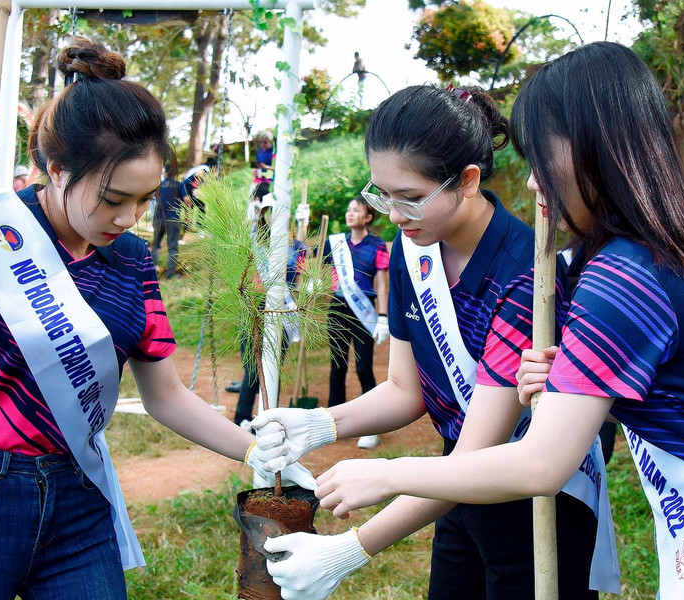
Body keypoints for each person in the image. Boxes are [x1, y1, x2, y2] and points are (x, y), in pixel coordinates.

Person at [269, 42, 684, 599]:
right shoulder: (647, 252)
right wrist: (575, 372)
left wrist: (385, 475)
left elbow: (541, 465)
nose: (534, 182)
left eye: (542, 161)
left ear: (595, 152)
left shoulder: (611, 276)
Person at [0, 38, 311, 600]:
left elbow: (164, 394)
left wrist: (251, 451)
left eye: (145, 199)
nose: (129, 217)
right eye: (112, 198)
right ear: (57, 170)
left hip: (80, 492)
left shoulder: (132, 259)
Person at [251, 84, 618, 599]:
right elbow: (406, 388)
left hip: (526, 493)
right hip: (451, 480)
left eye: (411, 198)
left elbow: (481, 448)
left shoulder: (522, 274)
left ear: (468, 181)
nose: (395, 214)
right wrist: (322, 422)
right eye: (382, 195)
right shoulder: (412, 247)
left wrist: (350, 549)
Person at [234, 196, 308, 427]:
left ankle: (268, 418)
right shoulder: (254, 243)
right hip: (255, 308)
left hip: (282, 310)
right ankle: (243, 418)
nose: (273, 216)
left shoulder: (297, 247)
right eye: (269, 211)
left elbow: (299, 279)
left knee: (274, 367)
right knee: (252, 368)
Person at [322, 196, 389, 448]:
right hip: (338, 308)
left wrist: (383, 317)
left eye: (355, 210)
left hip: (364, 312)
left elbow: (381, 282)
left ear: (368, 217)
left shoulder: (377, 246)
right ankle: (332, 424)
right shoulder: (336, 244)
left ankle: (372, 425)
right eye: (348, 209)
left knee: (363, 368)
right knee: (337, 365)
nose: (350, 214)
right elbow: (324, 272)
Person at [151, 170, 185, 279]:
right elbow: (187, 200)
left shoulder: (159, 185)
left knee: (156, 245)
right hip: (173, 218)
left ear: (165, 173)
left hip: (159, 217)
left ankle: (151, 271)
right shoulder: (179, 185)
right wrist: (188, 213)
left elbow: (154, 198)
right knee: (173, 247)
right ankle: (170, 274)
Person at [251, 130, 274, 205]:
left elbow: (277, 168)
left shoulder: (274, 152)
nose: (263, 145)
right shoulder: (260, 151)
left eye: (265, 142)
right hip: (258, 179)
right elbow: (257, 163)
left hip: (268, 181)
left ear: (270, 141)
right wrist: (255, 171)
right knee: (253, 195)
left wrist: (267, 167)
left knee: (261, 196)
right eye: (261, 142)